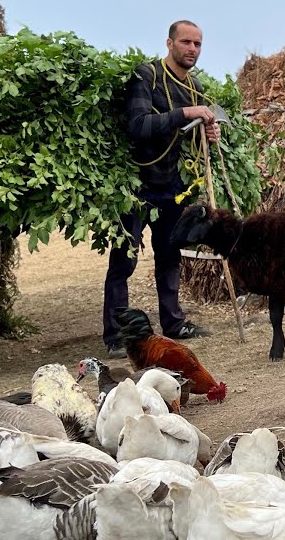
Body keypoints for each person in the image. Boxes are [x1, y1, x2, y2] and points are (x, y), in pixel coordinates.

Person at [103, 20, 217, 358]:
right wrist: (185, 113)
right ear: (169, 43)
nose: (192, 49)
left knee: (169, 255)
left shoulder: (195, 87)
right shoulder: (146, 75)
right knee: (123, 262)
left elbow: (190, 136)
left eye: (197, 44)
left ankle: (174, 323)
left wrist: (208, 135)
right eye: (186, 42)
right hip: (135, 184)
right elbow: (137, 126)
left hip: (172, 186)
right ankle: (118, 336)